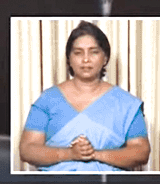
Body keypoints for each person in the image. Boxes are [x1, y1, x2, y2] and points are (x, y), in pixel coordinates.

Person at [19, 21, 151, 171]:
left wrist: (93, 154)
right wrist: (69, 154)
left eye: (94, 52)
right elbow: (27, 149)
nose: (86, 59)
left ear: (105, 58)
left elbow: (141, 152)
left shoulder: (127, 104)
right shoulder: (47, 100)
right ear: (69, 59)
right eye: (78, 53)